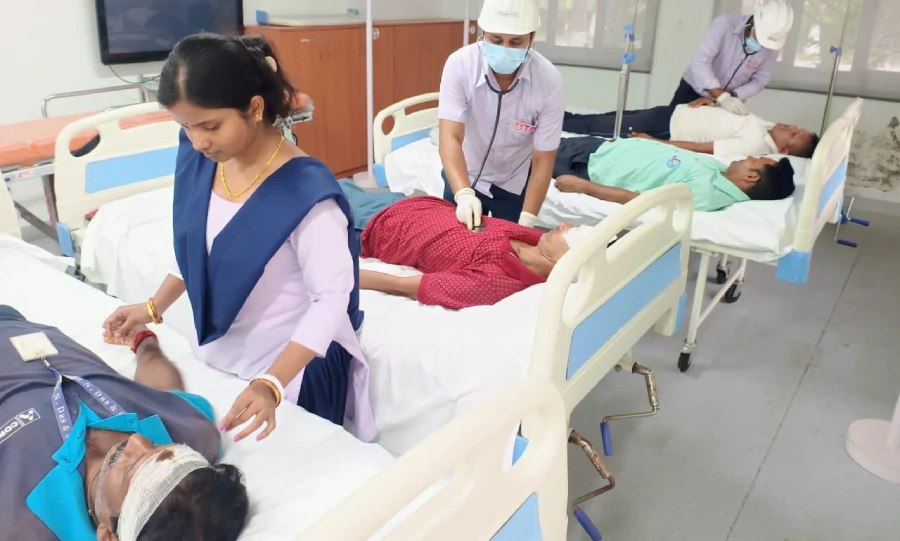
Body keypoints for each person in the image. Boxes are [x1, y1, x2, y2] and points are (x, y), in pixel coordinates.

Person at [103, 33, 375, 444]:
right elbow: (197, 246)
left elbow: (331, 301)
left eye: (210, 126)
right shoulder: (202, 157)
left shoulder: (307, 196)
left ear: (255, 108)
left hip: (290, 369)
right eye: (185, 126)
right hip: (220, 353)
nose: (198, 141)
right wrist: (152, 307)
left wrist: (271, 383)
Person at [1, 305, 249, 541]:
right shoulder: (191, 431)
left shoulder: (21, 523)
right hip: (17, 322)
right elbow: (162, 388)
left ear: (109, 536)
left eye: (132, 470)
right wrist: (144, 342)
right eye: (158, 448)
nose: (136, 441)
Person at [438, 0, 565, 230]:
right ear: (483, 32)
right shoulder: (460, 65)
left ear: (531, 37)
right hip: (464, 174)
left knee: (509, 247)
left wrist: (527, 221)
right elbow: (450, 137)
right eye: (496, 40)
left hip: (513, 183)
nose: (505, 49)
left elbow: (543, 160)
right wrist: (463, 194)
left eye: (516, 42)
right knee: (454, 243)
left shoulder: (549, 81)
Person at [357, 195, 591, 310]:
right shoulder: (535, 238)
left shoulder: (495, 282)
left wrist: (347, 276)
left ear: (562, 261)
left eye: (572, 232)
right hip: (411, 202)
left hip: (376, 225)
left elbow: (400, 285)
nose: (564, 225)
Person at [553, 137, 795, 212]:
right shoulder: (720, 170)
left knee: (532, 151)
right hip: (602, 149)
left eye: (755, 160)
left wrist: (582, 186)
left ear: (752, 177)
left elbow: (641, 200)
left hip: (589, 167)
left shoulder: (706, 193)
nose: (748, 156)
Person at [562, 97, 819, 159]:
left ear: (784, 150)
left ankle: (547, 122)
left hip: (667, 129)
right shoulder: (767, 127)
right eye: (797, 127)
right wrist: (715, 102)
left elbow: (699, 148)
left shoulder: (754, 145)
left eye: (794, 134)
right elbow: (731, 117)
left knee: (591, 126)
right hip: (672, 113)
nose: (792, 126)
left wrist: (653, 142)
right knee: (600, 118)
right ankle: (551, 114)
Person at [671, 0, 794, 115]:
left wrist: (731, 97)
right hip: (693, 91)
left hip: (729, 102)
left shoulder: (772, 45)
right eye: (759, 38)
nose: (761, 45)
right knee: (671, 126)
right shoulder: (725, 24)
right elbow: (700, 62)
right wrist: (721, 96)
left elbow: (759, 81)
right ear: (753, 21)